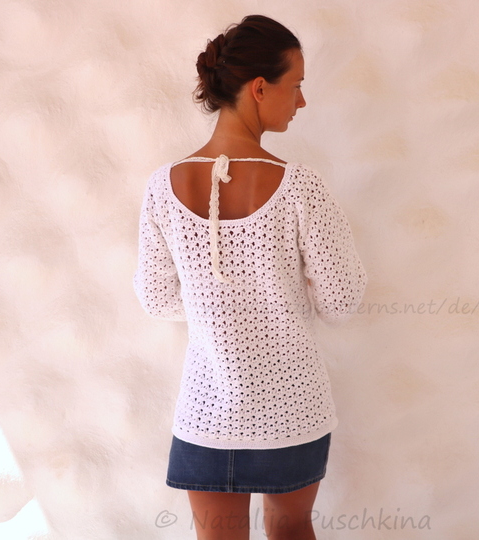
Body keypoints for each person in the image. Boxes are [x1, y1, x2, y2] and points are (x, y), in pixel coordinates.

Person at [133, 14, 367, 540]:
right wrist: (280, 294)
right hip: (292, 410)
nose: (302, 101)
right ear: (260, 88)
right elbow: (341, 301)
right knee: (291, 530)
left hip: (208, 413)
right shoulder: (301, 187)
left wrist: (214, 302)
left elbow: (156, 298)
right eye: (296, 85)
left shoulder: (162, 188)